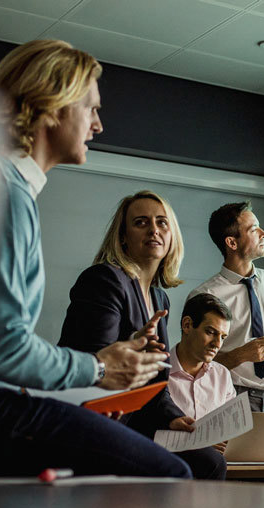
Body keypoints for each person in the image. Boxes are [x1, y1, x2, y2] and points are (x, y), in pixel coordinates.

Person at [0, 39, 190, 478]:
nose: (97, 125)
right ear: (52, 107)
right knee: (172, 475)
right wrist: (99, 367)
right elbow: (1, 348)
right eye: (90, 109)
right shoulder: (5, 196)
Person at [57, 190, 226, 479]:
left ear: (172, 236)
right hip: (98, 419)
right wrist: (133, 345)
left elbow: (157, 384)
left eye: (162, 223)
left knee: (210, 462)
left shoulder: (160, 299)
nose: (154, 230)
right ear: (123, 237)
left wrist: (174, 418)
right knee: (183, 470)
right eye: (141, 222)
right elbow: (95, 364)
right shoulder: (104, 280)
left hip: (137, 421)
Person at [187, 202, 264, 459]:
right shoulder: (205, 296)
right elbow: (193, 367)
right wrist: (241, 355)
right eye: (254, 229)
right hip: (233, 398)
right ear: (232, 243)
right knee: (240, 480)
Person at [166, 293, 238, 453]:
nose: (218, 344)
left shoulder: (222, 375)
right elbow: (145, 432)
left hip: (217, 467)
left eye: (223, 337)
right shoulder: (158, 372)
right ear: (187, 325)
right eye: (211, 332)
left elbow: (230, 431)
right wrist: (196, 445)